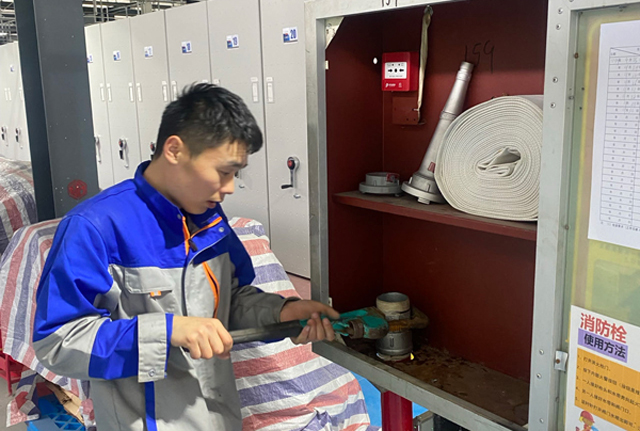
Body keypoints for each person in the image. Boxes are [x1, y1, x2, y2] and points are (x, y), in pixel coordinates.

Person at [33, 83, 339, 430]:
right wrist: (165, 331)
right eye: (223, 172)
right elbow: (57, 341)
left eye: (236, 174)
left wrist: (281, 312)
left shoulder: (209, 221)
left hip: (219, 420)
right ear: (175, 150)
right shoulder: (97, 227)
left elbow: (229, 302)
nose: (230, 187)